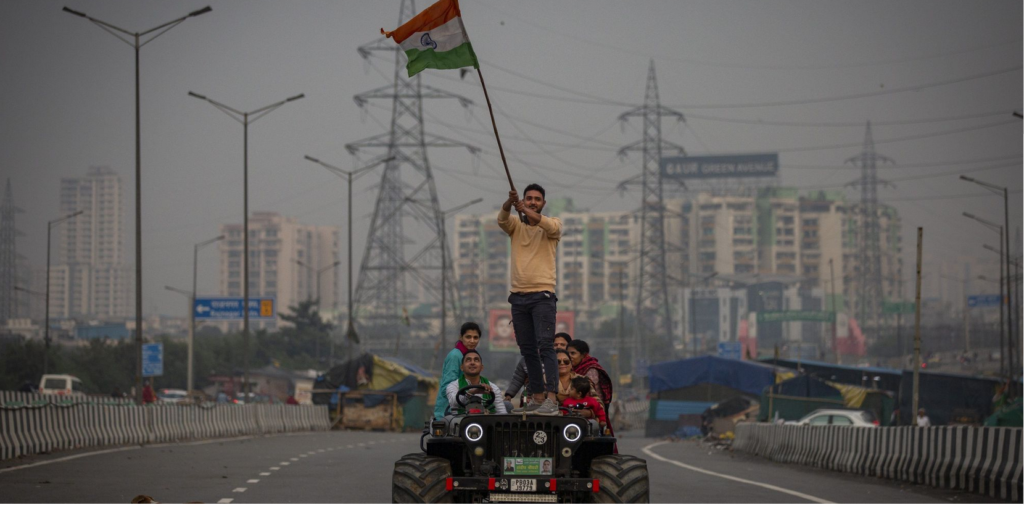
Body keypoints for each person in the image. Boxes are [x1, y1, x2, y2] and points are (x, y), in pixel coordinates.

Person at [499, 184, 562, 415]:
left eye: (537, 199)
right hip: (518, 297)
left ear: (543, 203)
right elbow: (502, 218)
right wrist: (510, 202)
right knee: (527, 351)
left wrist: (525, 209)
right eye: (529, 198)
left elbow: (544, 223)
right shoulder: (516, 226)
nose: (533, 201)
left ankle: (551, 399)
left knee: (546, 346)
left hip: (543, 296)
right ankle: (536, 397)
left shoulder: (552, 225)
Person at [505, 332, 572, 407]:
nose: (558, 347)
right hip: (531, 399)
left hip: (559, 402)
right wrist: (509, 395)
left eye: (562, 344)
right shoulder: (527, 360)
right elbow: (517, 379)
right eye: (555, 344)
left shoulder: (567, 362)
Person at [434, 322, 481, 419]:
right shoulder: (455, 356)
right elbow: (446, 388)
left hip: (465, 411)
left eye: (475, 338)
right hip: (449, 413)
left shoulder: (471, 356)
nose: (472, 341)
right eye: (468, 337)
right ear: (461, 337)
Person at [446, 350, 507, 414]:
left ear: (481, 367)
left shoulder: (493, 388)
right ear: (462, 367)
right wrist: (471, 392)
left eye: (476, 360)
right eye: (468, 360)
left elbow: (502, 413)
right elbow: (454, 402)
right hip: (460, 422)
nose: (472, 363)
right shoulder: (453, 386)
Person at [568, 340, 613, 410]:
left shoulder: (591, 370)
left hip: (592, 408)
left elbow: (587, 392)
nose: (569, 357)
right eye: (568, 354)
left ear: (583, 355)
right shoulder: (570, 369)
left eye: (573, 353)